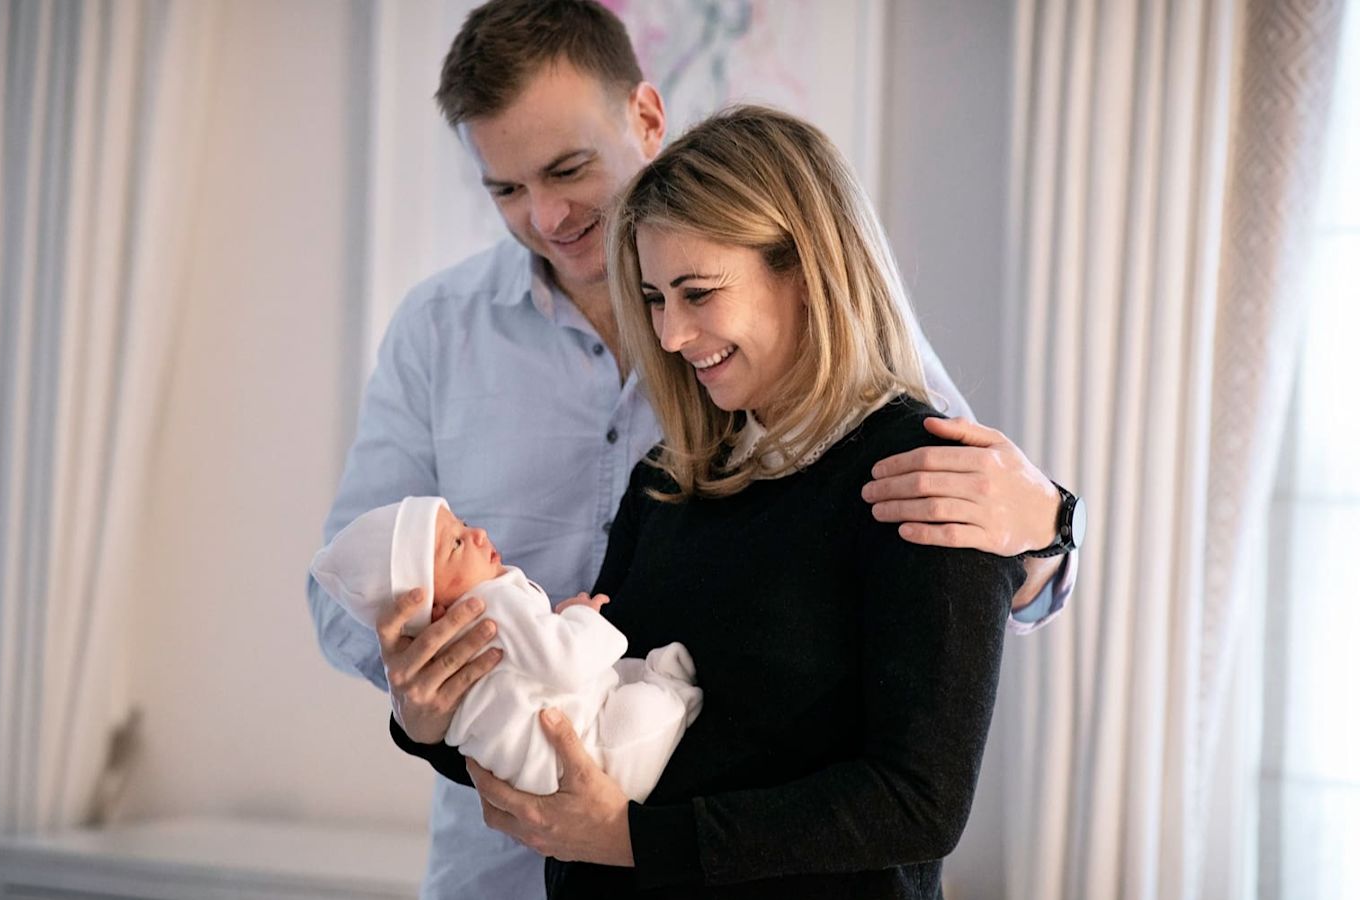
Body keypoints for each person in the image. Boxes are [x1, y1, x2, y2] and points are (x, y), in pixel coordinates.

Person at [306, 1, 1083, 896]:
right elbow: (364, 604)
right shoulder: (661, 465)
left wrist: (1056, 525)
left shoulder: (900, 463)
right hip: (501, 853)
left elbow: (918, 790)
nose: (546, 215)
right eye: (507, 190)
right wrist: (430, 709)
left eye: (566, 169)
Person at [309, 496, 701, 802]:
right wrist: (584, 617)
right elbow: (567, 662)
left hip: (543, 778)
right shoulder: (491, 603)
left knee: (621, 685)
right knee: (646, 706)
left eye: (462, 524)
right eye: (457, 544)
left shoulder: (466, 632)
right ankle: (674, 689)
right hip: (594, 755)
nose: (479, 533)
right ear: (433, 605)